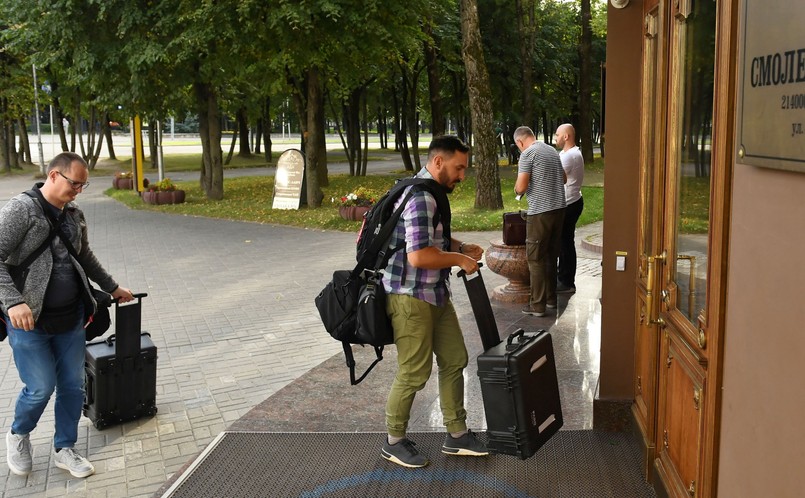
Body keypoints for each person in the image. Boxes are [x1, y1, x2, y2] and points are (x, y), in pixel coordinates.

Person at [0, 152, 134, 479]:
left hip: (71, 318)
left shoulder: (74, 213)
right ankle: (18, 434)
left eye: (83, 185)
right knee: (40, 387)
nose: (78, 191)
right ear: (54, 175)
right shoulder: (21, 210)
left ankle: (64, 448)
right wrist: (13, 301)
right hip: (29, 321)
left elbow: (84, 255)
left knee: (73, 386)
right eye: (75, 183)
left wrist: (112, 286)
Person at [380, 135, 488, 468]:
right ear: (438, 162)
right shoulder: (421, 197)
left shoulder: (429, 191)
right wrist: (458, 259)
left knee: (455, 358)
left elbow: (429, 236)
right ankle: (394, 441)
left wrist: (460, 246)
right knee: (414, 372)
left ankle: (456, 435)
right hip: (410, 296)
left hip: (435, 293)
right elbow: (418, 255)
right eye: (459, 168)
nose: (462, 176)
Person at [513, 126, 566, 317]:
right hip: (559, 209)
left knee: (535, 258)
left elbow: (521, 186)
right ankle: (551, 299)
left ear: (520, 142)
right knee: (551, 256)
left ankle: (537, 305)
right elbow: (564, 178)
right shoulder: (552, 150)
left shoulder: (528, 154)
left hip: (540, 213)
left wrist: (517, 191)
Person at [555, 123, 585, 293]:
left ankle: (566, 283)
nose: (556, 137)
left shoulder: (570, 156)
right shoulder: (566, 153)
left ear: (566, 136)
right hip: (571, 202)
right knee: (564, 242)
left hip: (570, 204)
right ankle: (563, 278)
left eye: (558, 134)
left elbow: (555, 177)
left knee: (565, 243)